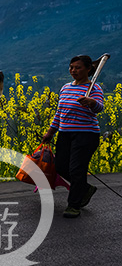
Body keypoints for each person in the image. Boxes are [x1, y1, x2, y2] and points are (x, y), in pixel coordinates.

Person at [41, 55, 104, 218]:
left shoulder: (94, 88)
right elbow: (59, 113)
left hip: (86, 135)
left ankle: (73, 205)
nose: (73, 70)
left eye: (78, 67)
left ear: (88, 69)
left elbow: (99, 108)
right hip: (65, 134)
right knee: (61, 167)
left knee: (77, 169)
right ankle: (84, 188)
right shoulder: (65, 88)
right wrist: (50, 132)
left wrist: (91, 102)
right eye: (71, 67)